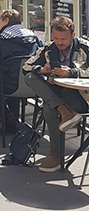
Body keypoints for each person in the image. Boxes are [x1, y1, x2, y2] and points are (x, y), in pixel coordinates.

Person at [21, 16, 89, 172]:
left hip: (79, 95)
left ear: (73, 35)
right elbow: (26, 67)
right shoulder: (49, 48)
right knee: (30, 77)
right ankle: (64, 110)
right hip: (57, 92)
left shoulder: (85, 48)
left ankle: (56, 156)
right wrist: (42, 70)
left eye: (63, 39)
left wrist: (72, 72)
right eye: (56, 38)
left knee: (48, 108)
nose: (59, 42)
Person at [0, 9, 41, 135]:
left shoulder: (2, 39)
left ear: (6, 21)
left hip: (10, 85)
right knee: (7, 79)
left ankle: (2, 119)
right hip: (32, 85)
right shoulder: (34, 37)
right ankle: (13, 118)